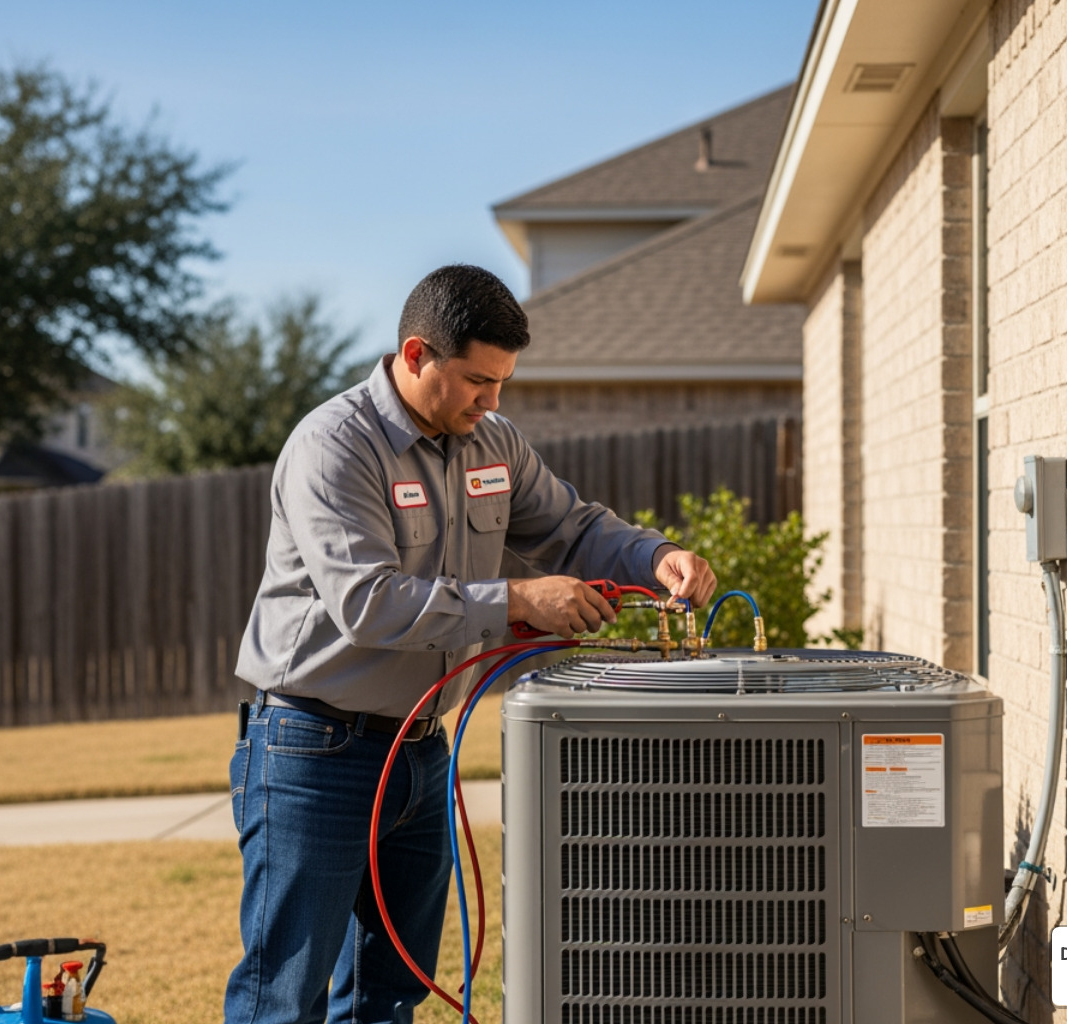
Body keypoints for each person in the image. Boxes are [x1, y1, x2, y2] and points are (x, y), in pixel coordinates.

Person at [225, 264, 716, 1024]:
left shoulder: (493, 445)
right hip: (312, 753)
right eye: (478, 381)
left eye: (503, 384)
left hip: (420, 750)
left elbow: (573, 528)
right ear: (417, 354)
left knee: (391, 991)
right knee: (283, 1000)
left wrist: (654, 557)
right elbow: (369, 603)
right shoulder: (335, 447)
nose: (492, 402)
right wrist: (520, 599)